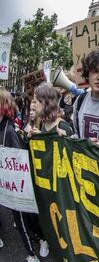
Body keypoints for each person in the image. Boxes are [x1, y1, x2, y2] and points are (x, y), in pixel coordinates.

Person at [0, 88, 48, 262]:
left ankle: (32, 252)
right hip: (7, 184)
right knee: (22, 219)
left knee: (25, 218)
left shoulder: (9, 131)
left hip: (17, 186)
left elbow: (19, 160)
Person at [72, 48, 99, 142]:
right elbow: (77, 135)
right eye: (95, 71)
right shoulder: (80, 101)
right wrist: (66, 137)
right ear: (87, 74)